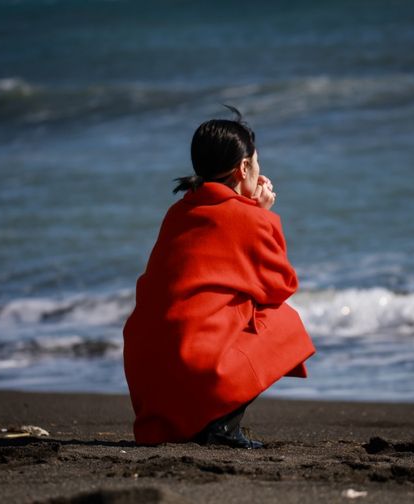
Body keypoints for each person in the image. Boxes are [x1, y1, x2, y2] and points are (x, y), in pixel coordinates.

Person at [122, 106, 315, 448]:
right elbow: (281, 285)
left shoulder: (178, 211)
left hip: (147, 372)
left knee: (226, 307)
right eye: (256, 163)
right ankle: (221, 428)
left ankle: (199, 420)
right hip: (194, 370)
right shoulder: (247, 217)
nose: (259, 171)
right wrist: (261, 214)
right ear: (244, 168)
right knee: (285, 321)